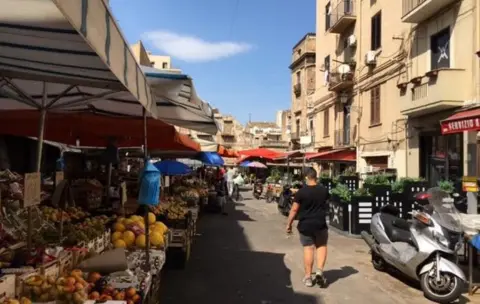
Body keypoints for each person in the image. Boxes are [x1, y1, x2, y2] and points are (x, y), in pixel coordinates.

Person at [286, 167, 329, 288]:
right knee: (321, 246)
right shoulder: (324, 191)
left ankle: (308, 277)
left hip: (305, 225)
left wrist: (288, 224)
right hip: (320, 224)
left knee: (308, 248)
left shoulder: (301, 192)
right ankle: (319, 271)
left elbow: (294, 210)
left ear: (306, 177)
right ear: (316, 177)